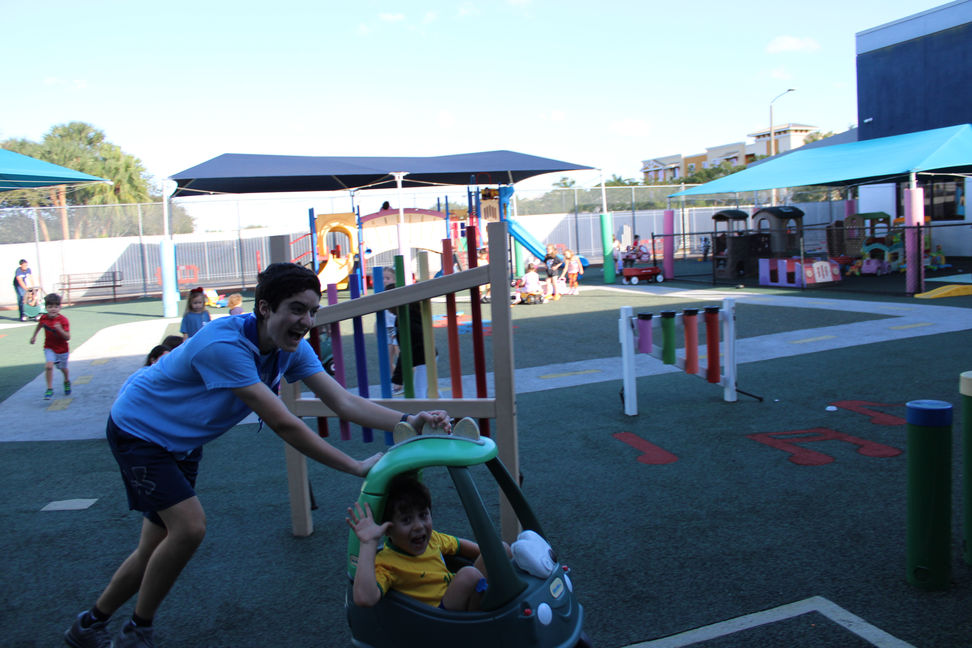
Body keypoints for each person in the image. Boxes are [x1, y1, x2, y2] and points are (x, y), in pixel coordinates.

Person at [63, 262, 452, 648]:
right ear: (265, 308)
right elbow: (284, 424)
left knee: (155, 546)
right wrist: (354, 466)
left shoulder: (289, 348)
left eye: (312, 311)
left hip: (180, 441)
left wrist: (409, 420)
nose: (306, 321)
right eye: (297, 309)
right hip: (140, 430)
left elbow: (344, 401)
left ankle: (90, 624)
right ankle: (137, 631)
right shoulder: (224, 346)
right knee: (189, 528)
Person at [347, 473, 488, 611]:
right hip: (438, 617)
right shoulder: (386, 563)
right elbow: (364, 598)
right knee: (469, 575)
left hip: (455, 594)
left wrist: (489, 558)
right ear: (388, 529)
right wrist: (368, 543)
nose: (419, 526)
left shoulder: (433, 539)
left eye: (423, 515)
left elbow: (463, 546)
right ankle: (486, 615)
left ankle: (489, 607)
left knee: (494, 553)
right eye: (406, 520)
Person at [30, 292, 70, 400]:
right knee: (49, 366)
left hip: (62, 349)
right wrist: (34, 336)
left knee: (63, 368)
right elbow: (39, 325)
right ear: (46, 307)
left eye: (56, 307)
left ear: (60, 307)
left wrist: (60, 329)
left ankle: (66, 380)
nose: (53, 309)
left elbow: (67, 337)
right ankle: (49, 388)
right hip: (49, 347)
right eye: (50, 306)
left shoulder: (63, 320)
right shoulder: (44, 318)